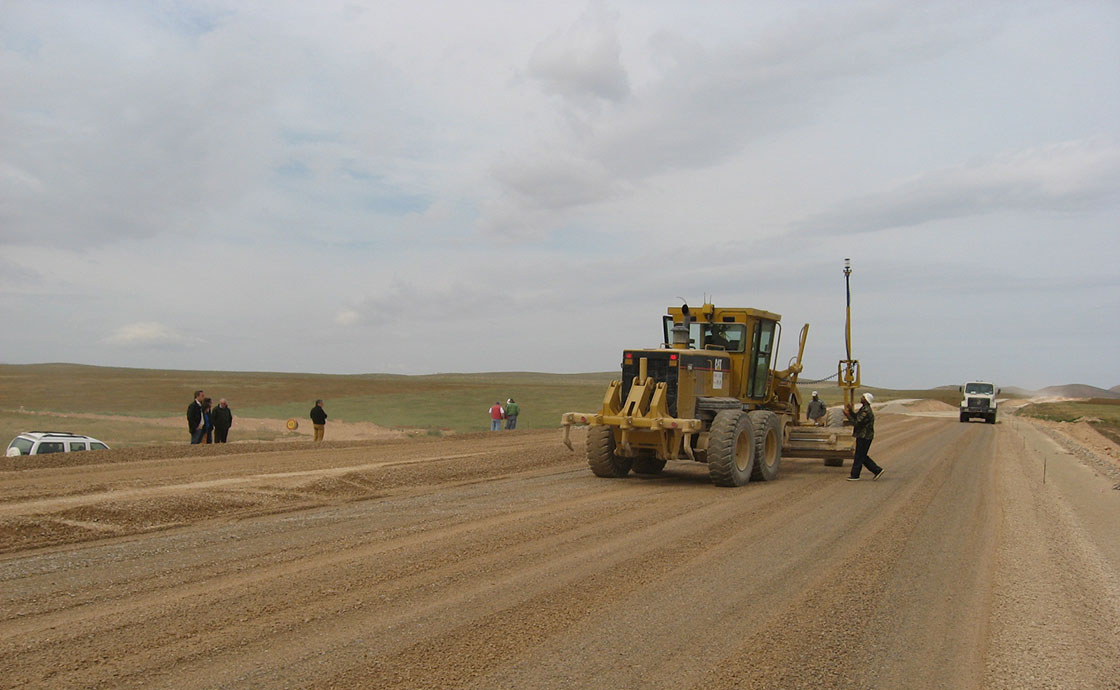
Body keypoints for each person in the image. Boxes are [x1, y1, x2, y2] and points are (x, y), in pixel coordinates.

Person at [844, 392, 884, 481]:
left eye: (862, 397)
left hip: (864, 436)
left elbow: (856, 423)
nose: (861, 398)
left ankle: (855, 475)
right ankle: (877, 470)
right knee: (861, 455)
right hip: (863, 436)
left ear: (865, 400)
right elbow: (857, 417)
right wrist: (850, 411)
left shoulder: (866, 411)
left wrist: (847, 415)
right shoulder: (864, 409)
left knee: (859, 455)